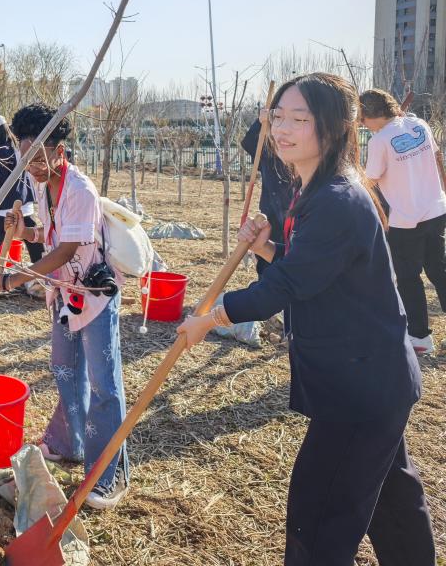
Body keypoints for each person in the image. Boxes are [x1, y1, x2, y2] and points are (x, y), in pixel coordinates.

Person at [179, 73, 434, 566]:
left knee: (317, 519)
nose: (282, 129)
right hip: (374, 378)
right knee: (394, 505)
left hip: (360, 390)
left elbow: (285, 287)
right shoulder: (317, 189)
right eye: (277, 117)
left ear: (333, 126)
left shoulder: (336, 198)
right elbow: (312, 270)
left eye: (299, 119)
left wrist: (209, 319)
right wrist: (266, 248)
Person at [0, 103, 129, 510]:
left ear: (59, 150)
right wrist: (25, 232)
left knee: (104, 385)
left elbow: (69, 249)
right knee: (65, 369)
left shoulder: (80, 191)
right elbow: (51, 236)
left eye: (38, 158)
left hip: (93, 295)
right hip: (63, 293)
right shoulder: (42, 184)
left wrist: (15, 278)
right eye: (25, 159)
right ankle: (71, 442)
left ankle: (109, 473)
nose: (32, 167)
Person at [360, 88, 446, 355]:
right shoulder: (419, 124)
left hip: (406, 219)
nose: (362, 124)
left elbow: (370, 179)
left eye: (362, 118)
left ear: (369, 115)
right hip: (436, 209)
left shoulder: (379, 141)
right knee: (439, 270)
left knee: (409, 278)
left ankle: (420, 337)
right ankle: (421, 335)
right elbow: (434, 156)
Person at [218, 109, 295, 347]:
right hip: (271, 216)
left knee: (292, 270)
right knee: (267, 266)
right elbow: (249, 142)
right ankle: (269, 306)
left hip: (293, 216)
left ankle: (291, 328)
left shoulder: (299, 159)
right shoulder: (268, 150)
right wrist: (261, 122)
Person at [0, 115, 45, 281]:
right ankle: (42, 272)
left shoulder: (2, 151)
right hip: (21, 200)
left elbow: (1, 176)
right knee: (33, 240)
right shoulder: (16, 146)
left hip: (5, 204)